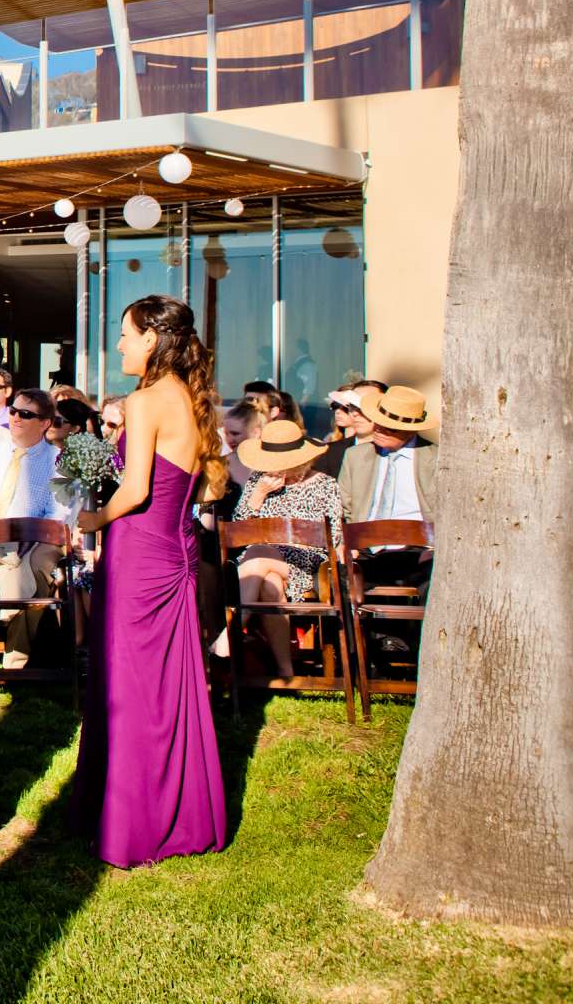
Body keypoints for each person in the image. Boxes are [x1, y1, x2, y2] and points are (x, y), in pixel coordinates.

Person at [75, 294, 230, 867]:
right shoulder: (191, 400)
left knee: (130, 685)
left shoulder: (144, 403)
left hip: (139, 553)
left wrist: (95, 518)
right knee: (165, 684)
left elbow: (136, 488)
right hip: (174, 551)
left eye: (125, 334)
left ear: (151, 340)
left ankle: (136, 819)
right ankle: (176, 808)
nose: (118, 345)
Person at [0, 387, 68, 670]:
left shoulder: (57, 461)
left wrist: (21, 540)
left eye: (26, 414)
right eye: (14, 411)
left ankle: (13, 657)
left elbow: (58, 516)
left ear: (44, 423)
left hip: (35, 542)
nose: (16, 418)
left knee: (26, 567)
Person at [225, 420, 344, 678]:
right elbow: (237, 531)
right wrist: (258, 495)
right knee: (270, 585)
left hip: (306, 562)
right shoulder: (260, 481)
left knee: (258, 555)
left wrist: (292, 537)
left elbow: (333, 535)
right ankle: (286, 672)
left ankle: (226, 641)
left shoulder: (325, 485)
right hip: (264, 562)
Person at [336, 383, 437, 600]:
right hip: (365, 550)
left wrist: (434, 546)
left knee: (433, 585)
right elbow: (344, 507)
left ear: (410, 430)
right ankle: (365, 635)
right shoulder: (356, 456)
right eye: (378, 423)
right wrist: (347, 541)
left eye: (389, 427)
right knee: (337, 581)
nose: (379, 430)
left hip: (418, 551)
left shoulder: (435, 459)